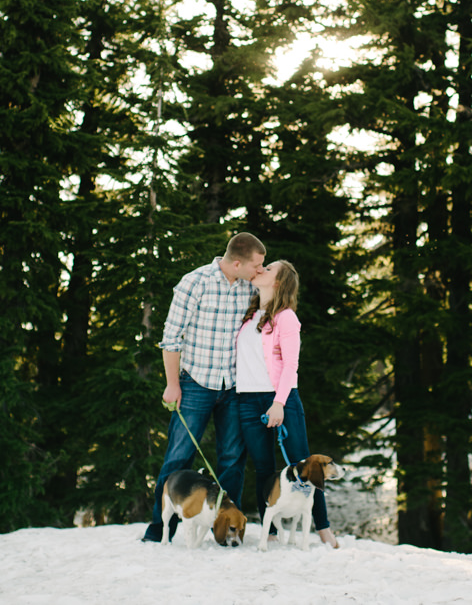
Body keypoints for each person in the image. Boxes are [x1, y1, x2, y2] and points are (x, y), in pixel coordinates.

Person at [142, 232, 266, 543]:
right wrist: (172, 385)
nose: (259, 271)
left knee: (232, 458)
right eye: (256, 265)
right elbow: (171, 339)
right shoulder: (194, 282)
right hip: (196, 383)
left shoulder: (252, 285)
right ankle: (159, 528)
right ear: (236, 263)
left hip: (236, 386)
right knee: (178, 457)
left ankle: (224, 525)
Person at [235, 260, 339, 548]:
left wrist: (279, 403)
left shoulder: (286, 317)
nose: (261, 270)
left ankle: (324, 529)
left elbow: (292, 365)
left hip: (281, 398)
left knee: (305, 467)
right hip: (247, 399)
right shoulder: (250, 314)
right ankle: (269, 532)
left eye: (268, 269)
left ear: (278, 283)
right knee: (264, 468)